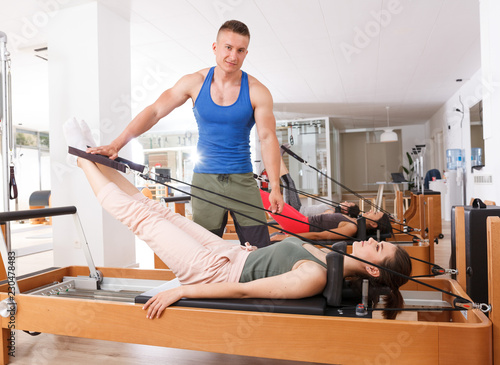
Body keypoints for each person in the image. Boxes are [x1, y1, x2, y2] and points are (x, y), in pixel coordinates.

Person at [65, 118, 411, 320]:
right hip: (234, 255)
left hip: (213, 272)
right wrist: (254, 254)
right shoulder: (334, 257)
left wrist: (182, 291)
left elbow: (244, 291)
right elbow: (272, 261)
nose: (369, 239)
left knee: (140, 217)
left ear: (374, 269)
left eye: (377, 247)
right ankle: (92, 155)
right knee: (156, 210)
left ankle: (81, 159)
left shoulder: (314, 277)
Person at [87, 20, 283, 248]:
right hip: (205, 181)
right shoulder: (195, 82)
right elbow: (155, 111)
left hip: (243, 180)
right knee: (204, 253)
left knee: (260, 249)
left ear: (246, 53)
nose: (233, 56)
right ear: (215, 47)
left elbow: (267, 137)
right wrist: (116, 145)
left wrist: (276, 187)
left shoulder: (257, 91)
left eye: (240, 50)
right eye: (228, 47)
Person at [260, 189, 392, 241]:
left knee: (263, 196)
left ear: (374, 224)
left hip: (300, 226)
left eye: (374, 213)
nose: (370, 211)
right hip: (302, 219)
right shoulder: (353, 220)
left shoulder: (351, 228)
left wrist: (286, 238)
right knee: (266, 197)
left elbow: (319, 235)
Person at [278, 155, 360, 217]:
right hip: (299, 207)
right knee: (290, 182)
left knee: (287, 182)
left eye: (348, 204)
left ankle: (277, 156)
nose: (346, 202)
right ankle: (279, 156)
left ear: (346, 211)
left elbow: (311, 219)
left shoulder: (331, 212)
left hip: (295, 212)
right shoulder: (333, 208)